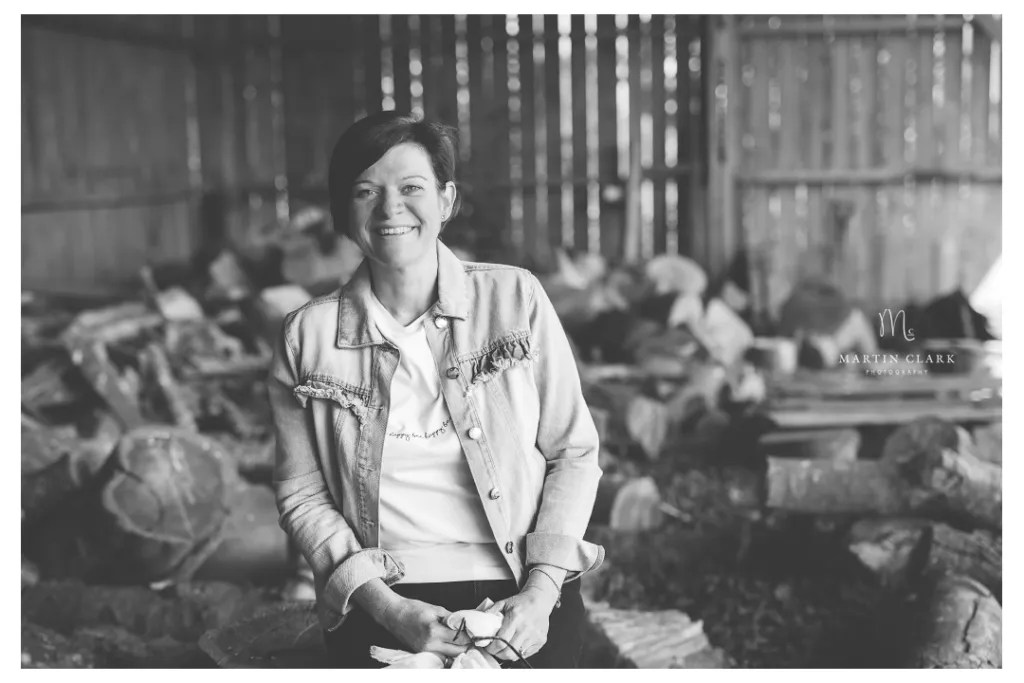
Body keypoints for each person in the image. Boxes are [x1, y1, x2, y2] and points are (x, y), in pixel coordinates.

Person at [268, 110, 604, 668]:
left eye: (412, 188)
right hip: (381, 597)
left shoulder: (514, 300)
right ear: (342, 210)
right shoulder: (308, 336)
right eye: (365, 190)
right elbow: (301, 493)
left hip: (520, 587)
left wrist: (542, 595)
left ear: (446, 200)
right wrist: (386, 606)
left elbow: (573, 452)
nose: (390, 208)